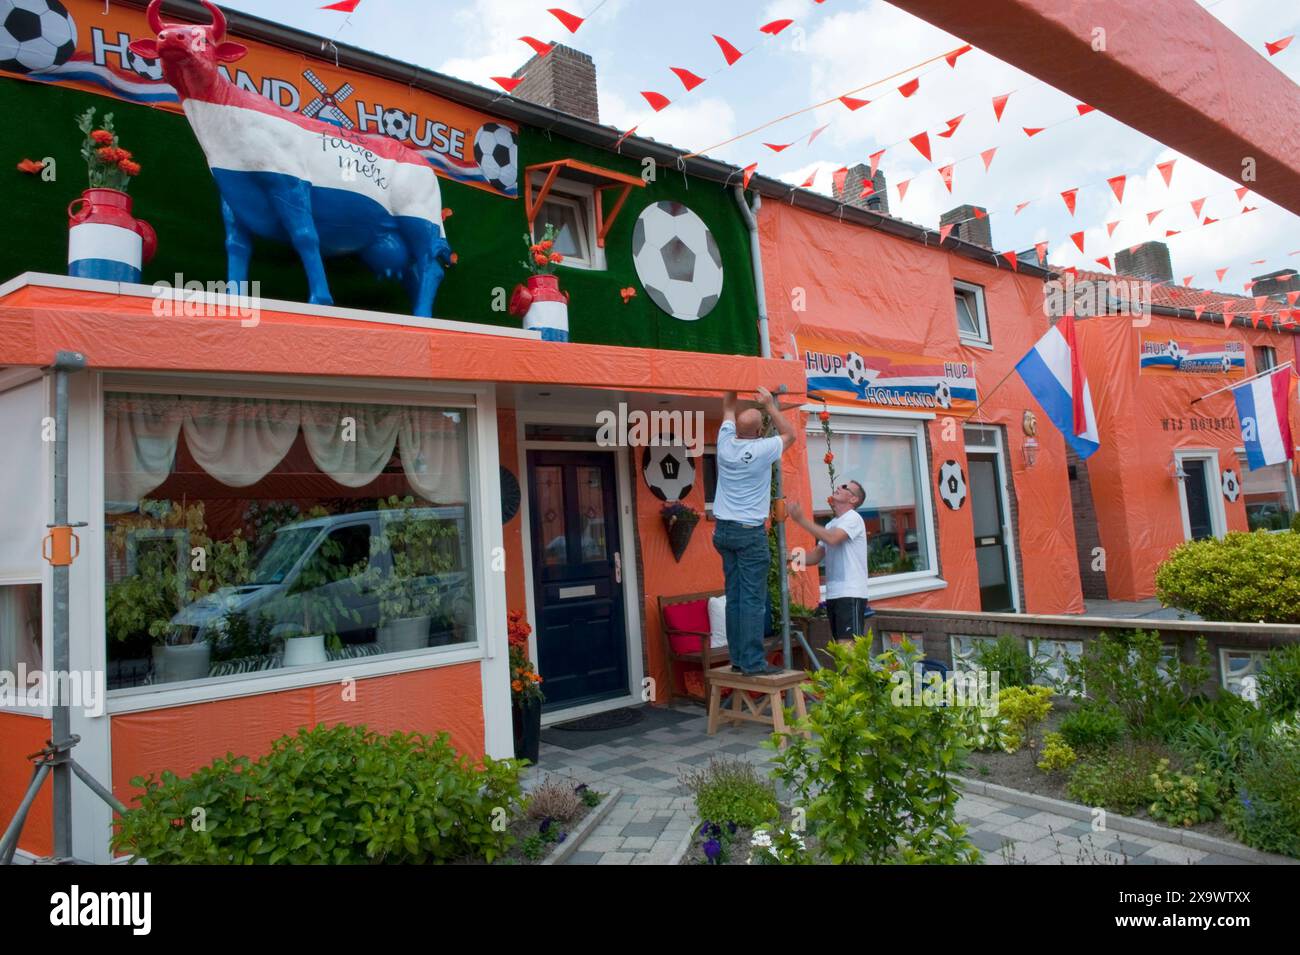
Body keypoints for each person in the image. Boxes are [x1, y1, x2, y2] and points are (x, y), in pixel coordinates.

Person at [712, 387, 796, 675]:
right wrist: (771, 405)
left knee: (734, 597)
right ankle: (752, 663)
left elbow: (726, 408)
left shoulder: (724, 444)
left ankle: (738, 659)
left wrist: (734, 382)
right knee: (751, 600)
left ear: (735, 429)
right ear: (760, 431)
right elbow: (790, 434)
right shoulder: (762, 449)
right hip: (749, 533)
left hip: (723, 532)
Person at [788, 479, 873, 641]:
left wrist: (801, 520)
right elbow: (815, 556)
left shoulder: (853, 518)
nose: (839, 486)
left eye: (845, 487)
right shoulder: (831, 524)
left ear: (853, 499)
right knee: (840, 647)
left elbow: (833, 539)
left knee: (848, 647)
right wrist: (791, 557)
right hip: (834, 594)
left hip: (851, 593)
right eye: (840, 485)